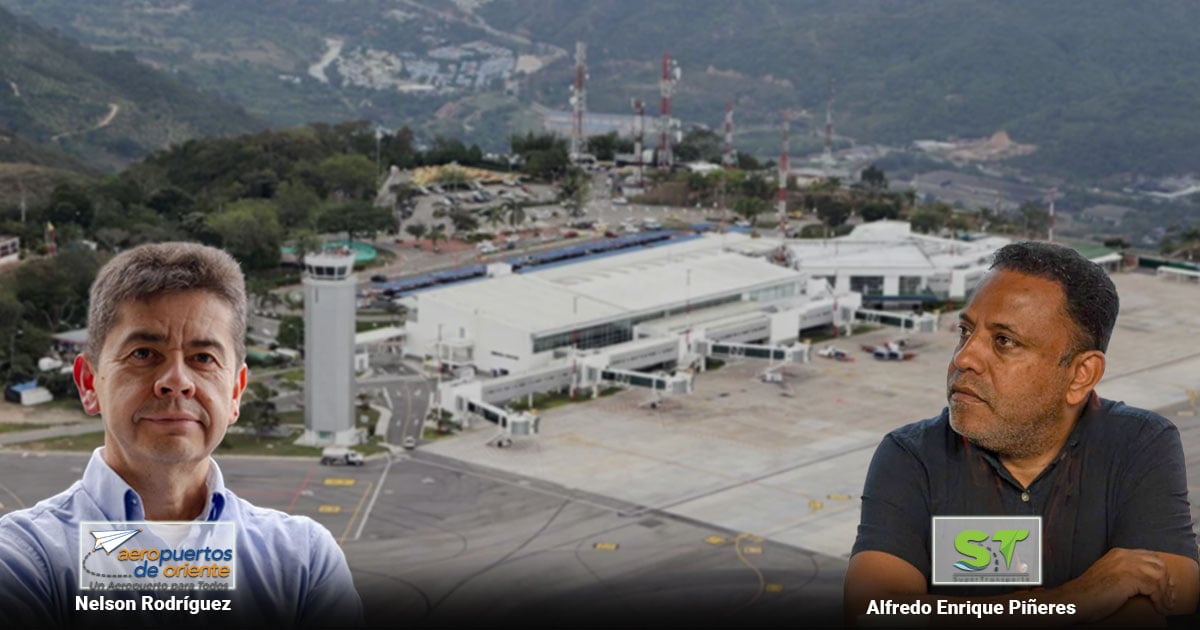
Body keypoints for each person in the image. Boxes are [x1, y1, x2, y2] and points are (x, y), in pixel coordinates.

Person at [0, 242, 363, 628]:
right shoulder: (22, 559)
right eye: (144, 354)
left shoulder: (303, 560)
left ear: (236, 392)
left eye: (203, 358)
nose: (176, 381)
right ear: (90, 383)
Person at [844, 241, 1198, 625]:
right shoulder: (912, 455)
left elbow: (1163, 597)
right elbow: (876, 610)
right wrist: (1073, 600)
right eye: (965, 330)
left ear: (1081, 375)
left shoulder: (1139, 443)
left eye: (1004, 341)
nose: (964, 358)